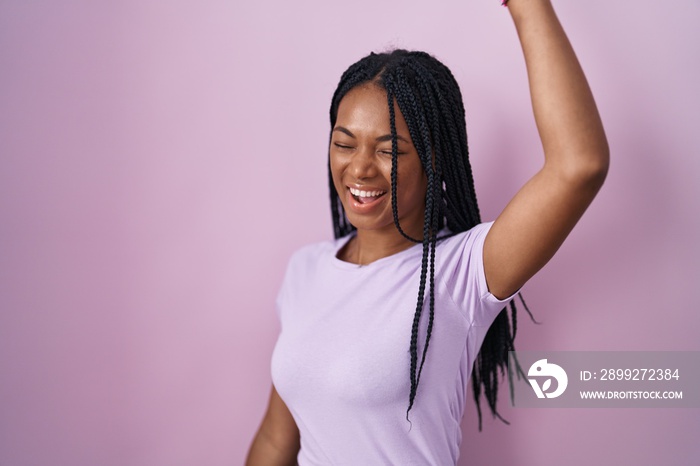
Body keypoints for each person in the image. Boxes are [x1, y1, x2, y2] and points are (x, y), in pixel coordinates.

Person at [246, 0, 609, 464]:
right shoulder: (305, 270)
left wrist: (526, 5)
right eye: (343, 143)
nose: (359, 168)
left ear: (434, 159)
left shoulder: (463, 272)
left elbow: (579, 166)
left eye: (389, 150)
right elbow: (278, 439)